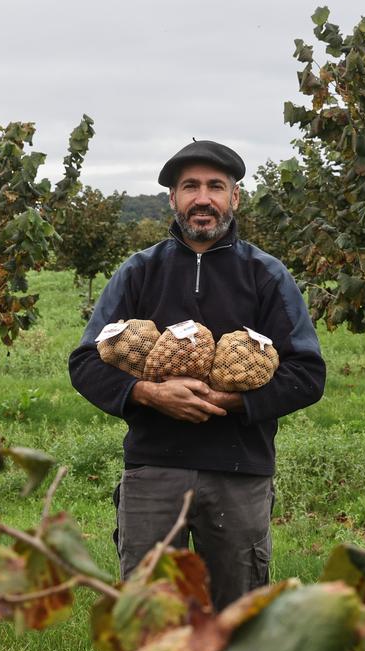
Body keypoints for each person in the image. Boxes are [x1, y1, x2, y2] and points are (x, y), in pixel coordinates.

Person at [67, 139, 326, 610]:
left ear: (235, 197)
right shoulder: (139, 272)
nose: (202, 198)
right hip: (153, 471)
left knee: (236, 618)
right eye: (190, 187)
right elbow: (85, 362)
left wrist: (230, 402)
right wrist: (148, 393)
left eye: (215, 187)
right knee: (150, 615)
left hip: (239, 471)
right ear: (172, 198)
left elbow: (307, 374)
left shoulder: (266, 275)